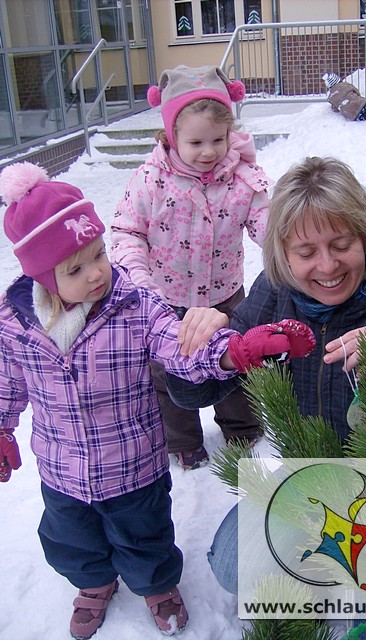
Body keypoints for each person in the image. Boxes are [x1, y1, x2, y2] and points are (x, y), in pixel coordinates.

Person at [0, 162, 315, 640]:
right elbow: (7, 383)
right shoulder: (15, 324)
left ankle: (156, 585)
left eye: (100, 253)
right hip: (61, 469)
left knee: (144, 537)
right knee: (69, 540)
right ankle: (92, 584)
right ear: (42, 277)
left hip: (133, 467)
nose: (97, 273)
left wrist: (235, 352)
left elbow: (181, 345)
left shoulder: (134, 305)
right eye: (76, 268)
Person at [165, 156, 366, 639]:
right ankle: (331, 568)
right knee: (232, 564)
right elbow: (188, 395)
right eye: (306, 251)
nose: (327, 267)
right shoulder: (274, 296)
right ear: (282, 255)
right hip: (311, 480)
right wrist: (209, 352)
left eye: (341, 244)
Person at [110, 64, 273, 471]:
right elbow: (127, 230)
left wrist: (287, 247)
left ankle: (243, 426)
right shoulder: (150, 181)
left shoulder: (242, 178)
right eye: (196, 141)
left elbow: (267, 221)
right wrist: (139, 279)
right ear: (170, 136)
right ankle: (182, 439)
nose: (209, 151)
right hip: (166, 300)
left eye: (218, 139)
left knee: (236, 360)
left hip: (225, 295)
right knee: (168, 373)